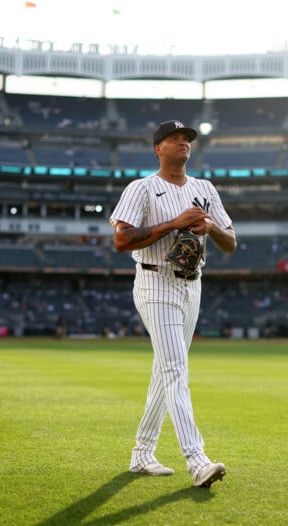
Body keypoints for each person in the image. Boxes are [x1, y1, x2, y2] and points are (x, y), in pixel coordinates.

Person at [110, 120, 237, 488]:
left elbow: (230, 242)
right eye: (173, 139)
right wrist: (175, 222)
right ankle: (197, 460)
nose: (182, 143)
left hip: (191, 283)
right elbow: (121, 240)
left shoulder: (205, 189)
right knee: (176, 370)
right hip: (155, 281)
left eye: (186, 139)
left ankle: (142, 453)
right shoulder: (143, 188)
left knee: (165, 370)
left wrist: (210, 228)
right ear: (158, 149)